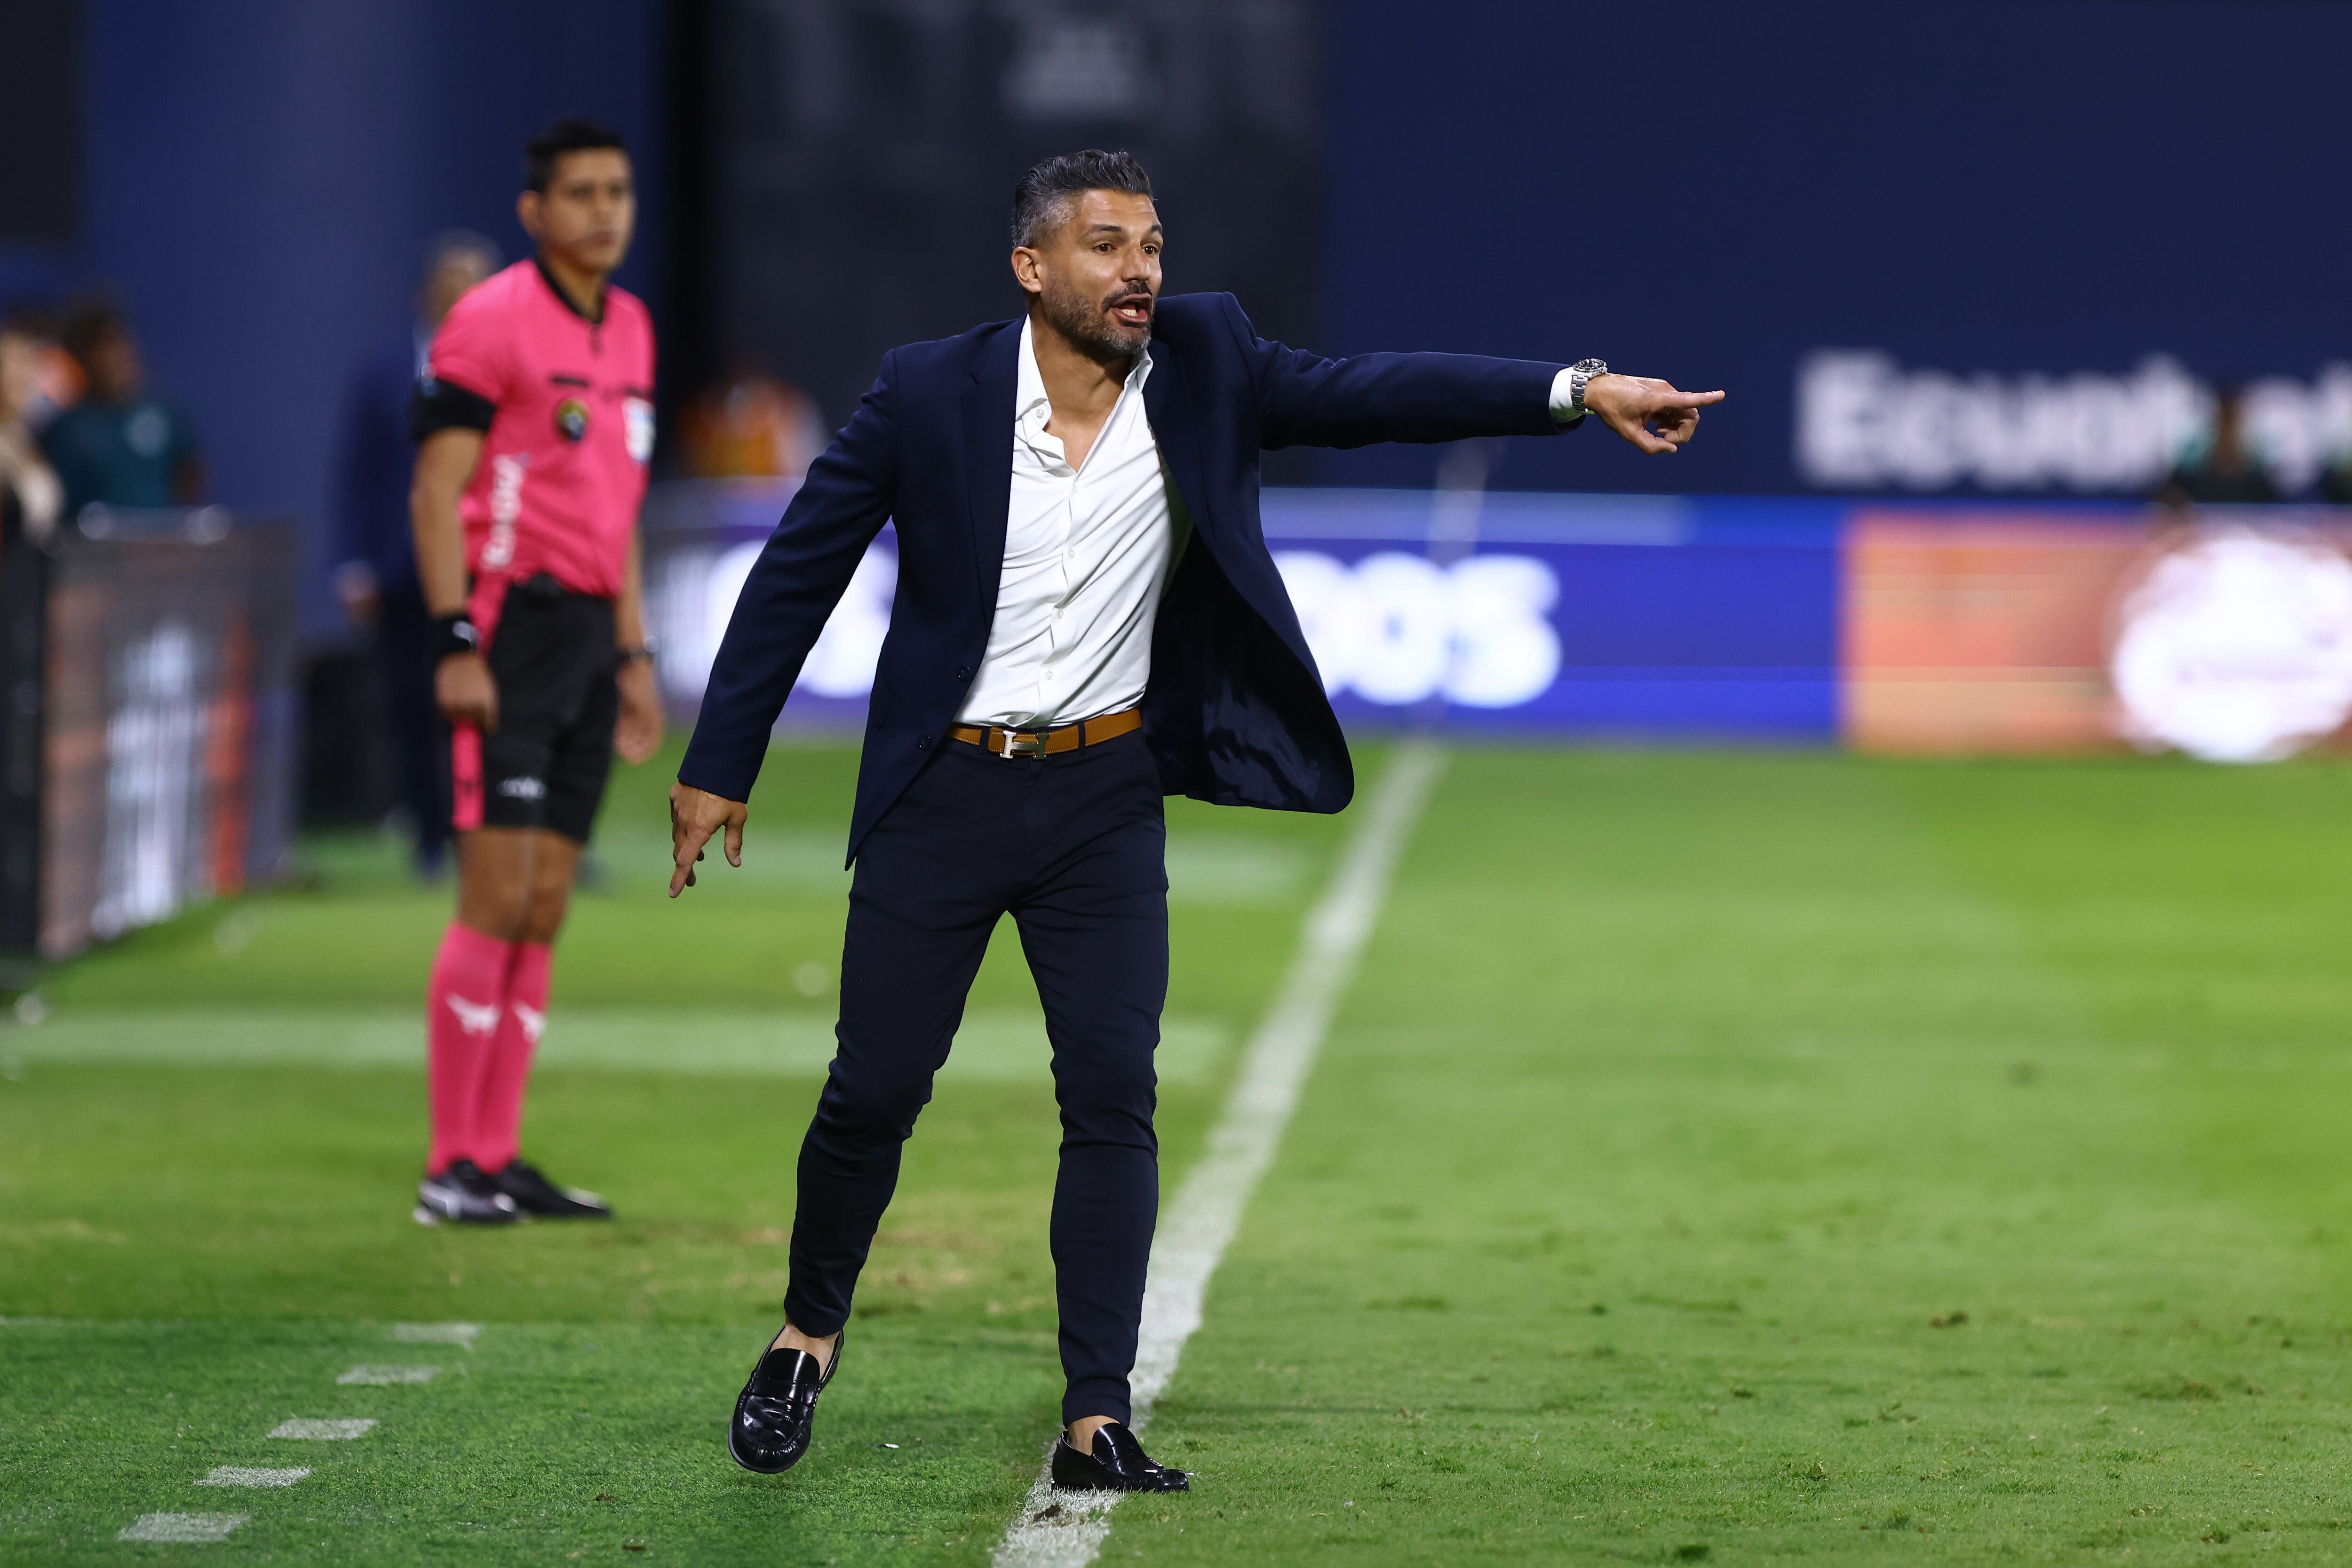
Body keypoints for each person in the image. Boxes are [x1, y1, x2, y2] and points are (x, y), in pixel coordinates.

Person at [668, 149, 1722, 1489]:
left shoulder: (1209, 356)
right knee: (874, 1089)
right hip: (943, 790)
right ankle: (807, 1331)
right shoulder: (929, 388)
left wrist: (1576, 390)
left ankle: (1096, 1412)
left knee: (1112, 1094)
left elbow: (1379, 392)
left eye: (1153, 242)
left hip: (1104, 797)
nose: (1142, 268)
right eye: (1107, 244)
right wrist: (724, 758)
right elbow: (799, 565)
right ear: (1032, 266)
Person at [406, 118, 664, 1226]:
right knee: (495, 897)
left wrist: (636, 651)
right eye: (581, 193)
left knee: (547, 904)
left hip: (591, 641)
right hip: (507, 632)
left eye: (617, 190)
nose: (604, 210)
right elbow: (434, 492)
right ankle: (449, 1164)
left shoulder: (635, 328)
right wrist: (455, 636)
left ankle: (499, 1156)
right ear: (536, 211)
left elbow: (621, 506)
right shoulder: (490, 321)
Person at [333, 232, 502, 878]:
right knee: (412, 701)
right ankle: (430, 834)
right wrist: (355, 562)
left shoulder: (516, 369)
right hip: (405, 568)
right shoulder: (383, 373)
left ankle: (497, 830)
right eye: (453, 282)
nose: (464, 295)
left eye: (477, 283)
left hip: (492, 563)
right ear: (425, 292)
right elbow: (358, 472)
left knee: (506, 701)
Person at [37, 301, 203, 523]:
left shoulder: (165, 411)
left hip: (161, 547)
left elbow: (190, 472)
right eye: (103, 347)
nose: (116, 356)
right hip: (95, 552)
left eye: (120, 342)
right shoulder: (66, 429)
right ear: (84, 359)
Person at [2156, 385, 2280, 508]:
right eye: (2223, 419)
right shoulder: (2192, 461)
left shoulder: (2256, 467)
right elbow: (2170, 495)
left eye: (2231, 419)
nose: (2227, 427)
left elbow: (2272, 507)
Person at [0, 315, 64, 545]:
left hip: (32, 571)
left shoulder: (27, 439)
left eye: (26, 363)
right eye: (11, 365)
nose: (21, 376)